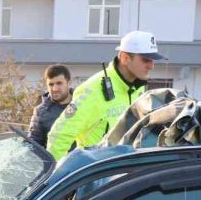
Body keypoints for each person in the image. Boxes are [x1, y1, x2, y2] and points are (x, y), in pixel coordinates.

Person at [47, 30, 166, 161]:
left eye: (153, 60)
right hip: (97, 170)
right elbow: (59, 135)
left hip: (127, 169)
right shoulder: (92, 90)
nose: (151, 65)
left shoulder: (138, 87)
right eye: (146, 59)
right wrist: (57, 172)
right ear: (125, 58)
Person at [28, 64, 72, 148]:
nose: (55, 89)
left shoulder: (83, 104)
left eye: (59, 83)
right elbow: (33, 144)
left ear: (69, 82)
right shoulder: (40, 112)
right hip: (55, 156)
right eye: (51, 84)